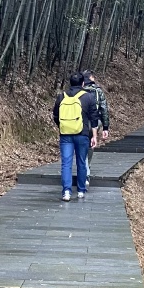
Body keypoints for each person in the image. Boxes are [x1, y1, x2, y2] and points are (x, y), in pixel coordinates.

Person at [53, 72, 98, 201]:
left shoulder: (62, 96)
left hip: (65, 135)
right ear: (83, 83)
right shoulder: (88, 97)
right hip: (82, 134)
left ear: (70, 83)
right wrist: (94, 136)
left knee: (66, 163)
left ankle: (66, 192)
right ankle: (80, 190)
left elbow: (55, 115)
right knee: (81, 162)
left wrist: (63, 126)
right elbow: (94, 118)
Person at [82, 70, 110, 187]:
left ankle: (85, 172)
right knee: (90, 146)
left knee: (82, 146)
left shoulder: (80, 92)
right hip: (95, 123)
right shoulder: (98, 91)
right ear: (92, 78)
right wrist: (105, 127)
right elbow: (104, 110)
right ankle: (87, 171)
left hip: (81, 123)